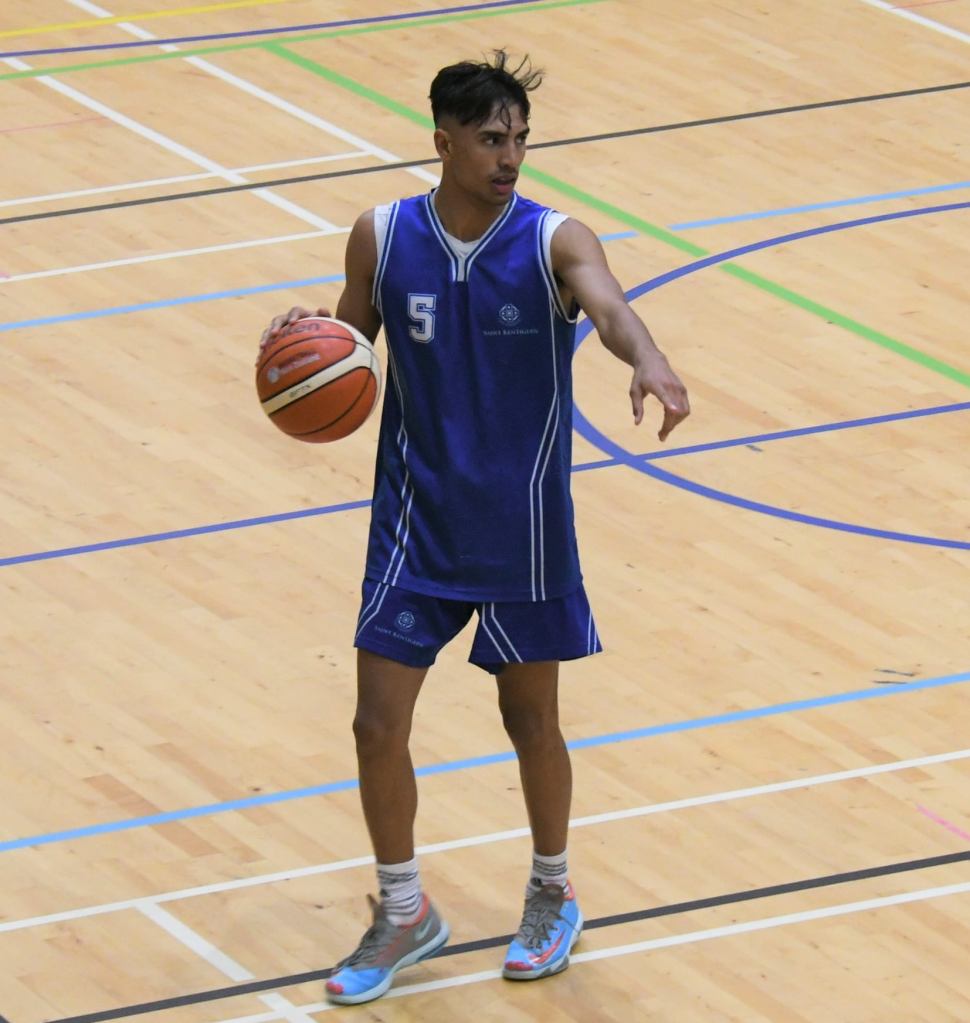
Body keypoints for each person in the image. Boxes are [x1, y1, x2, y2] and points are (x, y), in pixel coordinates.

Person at [259, 50, 690, 1006]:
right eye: (493, 139)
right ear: (444, 141)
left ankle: (552, 892)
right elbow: (351, 354)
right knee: (376, 723)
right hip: (414, 524)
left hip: (520, 529)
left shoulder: (553, 239)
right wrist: (302, 351)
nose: (511, 157)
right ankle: (404, 909)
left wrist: (649, 357)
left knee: (529, 719)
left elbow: (610, 305)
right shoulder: (381, 236)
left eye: (521, 139)